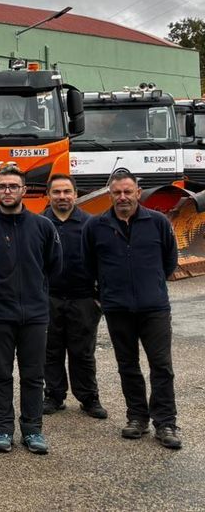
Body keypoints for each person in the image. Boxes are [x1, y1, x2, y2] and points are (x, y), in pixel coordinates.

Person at [0, 166, 61, 455]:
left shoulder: (43, 227)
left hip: (34, 315)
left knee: (33, 376)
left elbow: (54, 265)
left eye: (13, 186)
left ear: (24, 191)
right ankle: (3, 428)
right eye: (2, 186)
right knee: (1, 374)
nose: (7, 191)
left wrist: (37, 293)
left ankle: (33, 430)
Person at [84, 170, 182, 449]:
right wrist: (102, 295)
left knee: (161, 366)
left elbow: (169, 262)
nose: (123, 197)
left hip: (154, 309)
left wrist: (151, 286)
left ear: (138, 193)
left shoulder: (158, 223)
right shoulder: (96, 226)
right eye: (117, 192)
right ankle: (137, 417)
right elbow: (89, 265)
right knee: (128, 366)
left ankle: (166, 423)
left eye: (128, 192)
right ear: (110, 194)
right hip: (117, 309)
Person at [42, 174, 108, 420]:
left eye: (67, 192)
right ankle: (53, 395)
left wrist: (99, 298)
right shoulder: (39, 224)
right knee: (51, 350)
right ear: (48, 195)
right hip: (50, 298)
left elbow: (104, 263)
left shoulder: (91, 225)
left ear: (76, 194)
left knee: (83, 351)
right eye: (57, 192)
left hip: (83, 299)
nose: (62, 196)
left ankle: (89, 397)